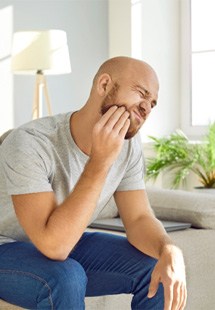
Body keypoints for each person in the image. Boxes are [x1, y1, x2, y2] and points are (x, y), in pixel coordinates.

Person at [0, 56, 186, 310]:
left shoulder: (129, 146)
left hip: (63, 242)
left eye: (152, 103)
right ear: (104, 85)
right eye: (141, 94)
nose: (147, 108)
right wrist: (101, 161)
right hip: (7, 248)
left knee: (157, 265)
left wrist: (168, 249)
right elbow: (53, 247)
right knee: (66, 277)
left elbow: (139, 218)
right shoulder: (30, 143)